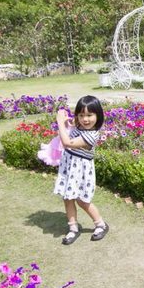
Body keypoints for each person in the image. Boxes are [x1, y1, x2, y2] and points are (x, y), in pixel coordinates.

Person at [54, 95, 110, 245]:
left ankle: (101, 225)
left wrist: (59, 122)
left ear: (98, 115)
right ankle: (73, 228)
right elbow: (74, 129)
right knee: (67, 198)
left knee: (82, 200)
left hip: (81, 171)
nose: (85, 119)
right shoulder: (80, 126)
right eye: (81, 115)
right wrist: (70, 123)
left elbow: (67, 142)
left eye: (90, 115)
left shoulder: (92, 135)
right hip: (70, 167)